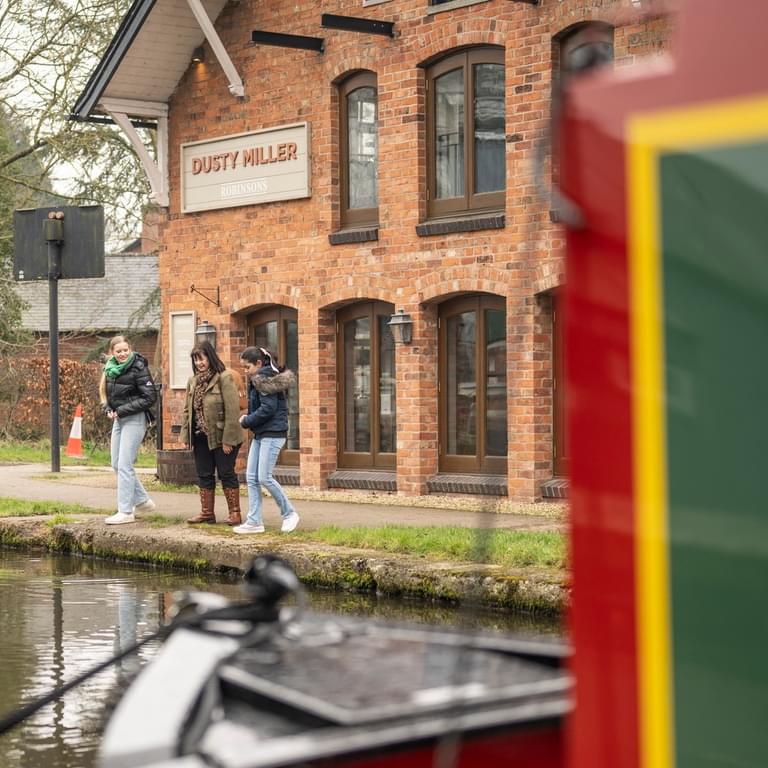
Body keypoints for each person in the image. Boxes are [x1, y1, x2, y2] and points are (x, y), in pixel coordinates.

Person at [233, 346, 299, 534]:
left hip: (273, 433)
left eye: (247, 367)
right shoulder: (259, 378)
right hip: (262, 433)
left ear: (259, 364)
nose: (245, 372)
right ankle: (254, 521)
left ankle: (289, 513)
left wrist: (247, 420)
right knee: (251, 477)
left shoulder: (263, 379)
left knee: (264, 477)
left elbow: (268, 409)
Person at [180, 341, 244, 525]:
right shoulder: (192, 381)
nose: (199, 363)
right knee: (204, 474)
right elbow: (187, 411)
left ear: (210, 357)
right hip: (201, 437)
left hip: (222, 436)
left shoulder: (224, 378)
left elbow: (233, 411)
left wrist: (228, 440)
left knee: (226, 473)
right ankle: (207, 513)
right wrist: (185, 436)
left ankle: (235, 513)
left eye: (202, 358)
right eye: (196, 360)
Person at [100, 335, 158, 525]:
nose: (123, 354)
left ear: (130, 349)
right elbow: (106, 394)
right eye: (119, 351)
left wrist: (121, 410)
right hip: (119, 419)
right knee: (116, 464)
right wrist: (108, 408)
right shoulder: (110, 369)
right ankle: (142, 501)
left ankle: (125, 511)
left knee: (125, 465)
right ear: (112, 353)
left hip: (135, 419)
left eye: (125, 350)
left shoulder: (139, 367)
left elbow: (150, 397)